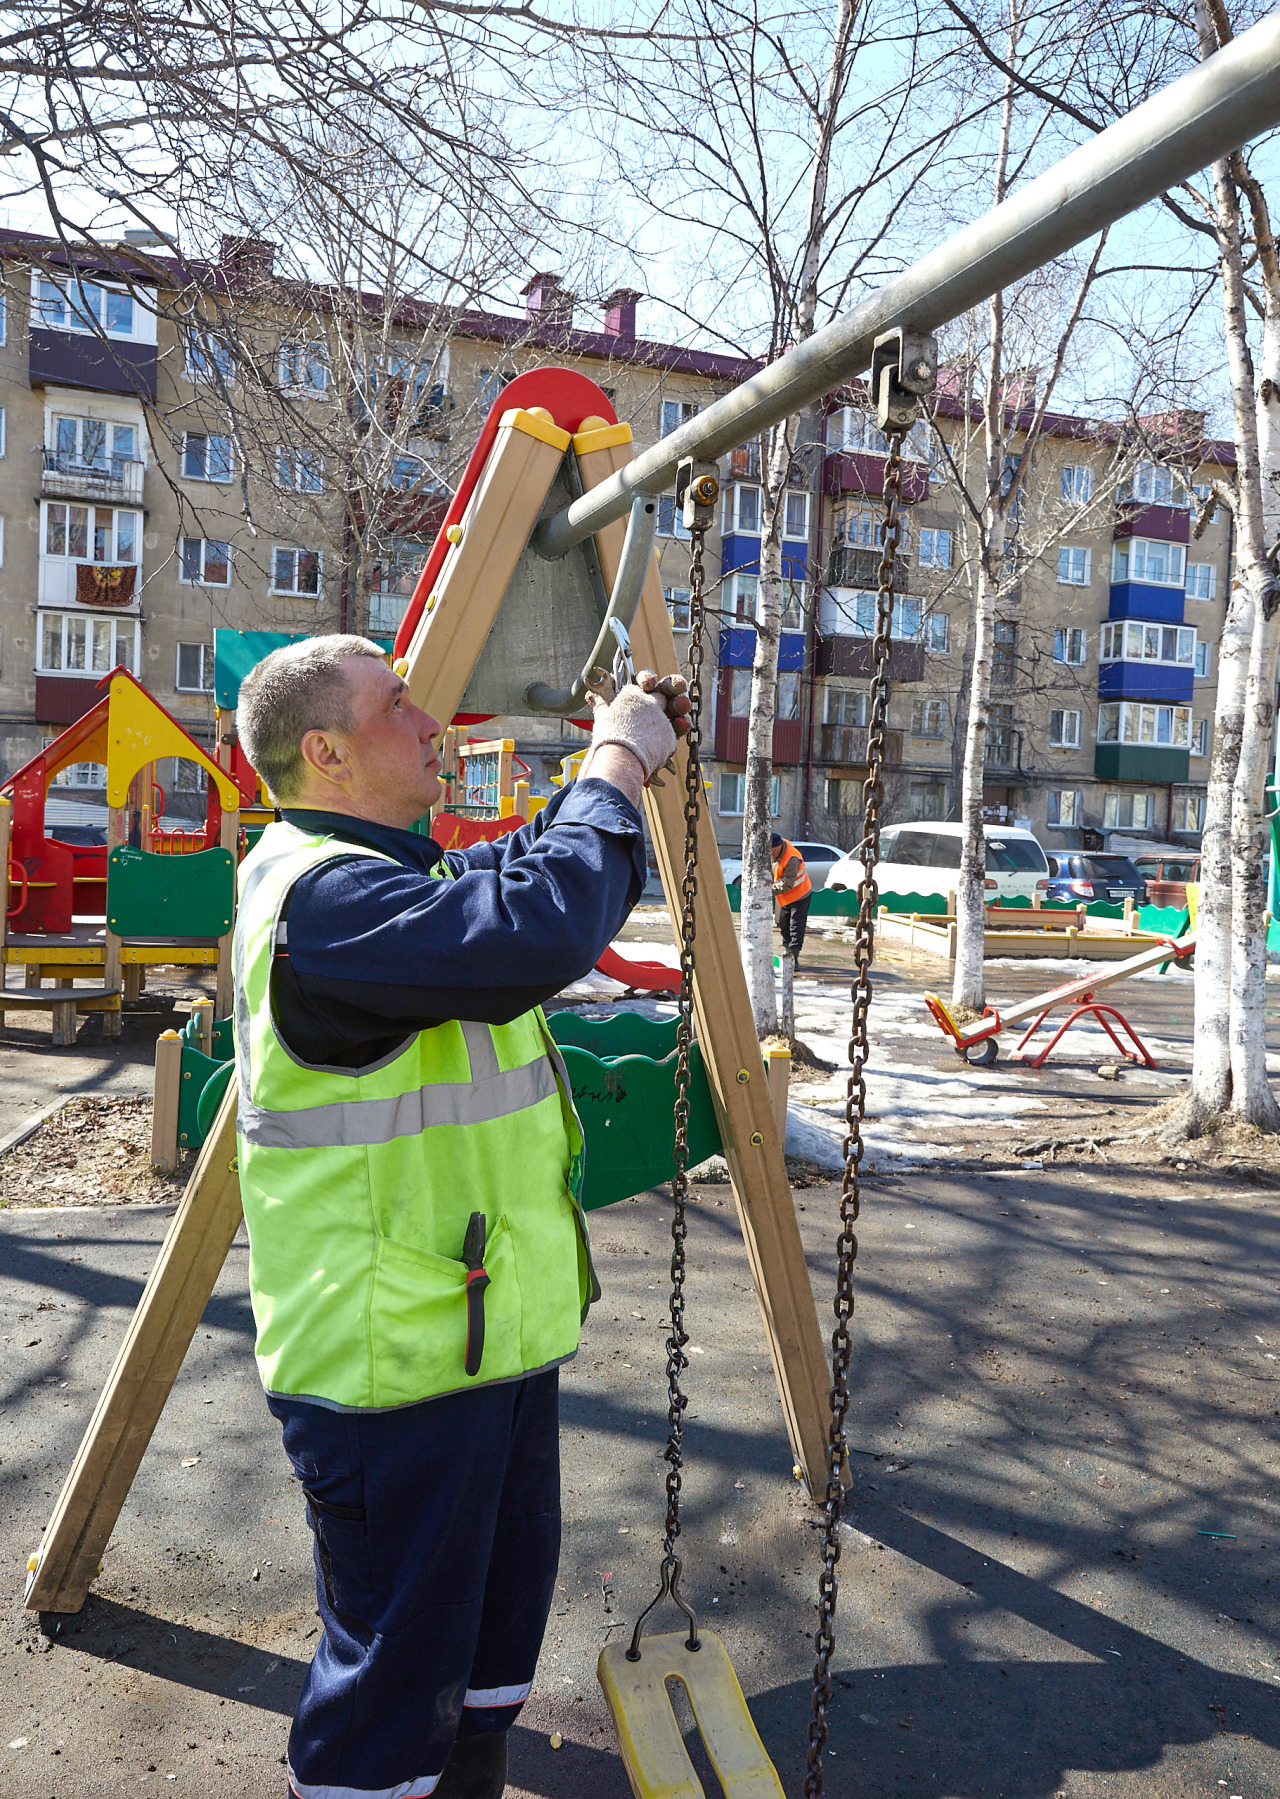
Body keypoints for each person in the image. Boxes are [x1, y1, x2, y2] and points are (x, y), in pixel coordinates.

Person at [232, 636, 690, 1799]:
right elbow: (529, 932)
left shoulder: (377, 881)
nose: (430, 719)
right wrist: (611, 769)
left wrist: (606, 772)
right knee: (390, 1682)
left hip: (475, 1332)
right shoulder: (322, 902)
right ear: (325, 749)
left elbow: (503, 885)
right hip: (390, 1365)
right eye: (399, 704)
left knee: (480, 1647)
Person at [771, 831, 812, 966]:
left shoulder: (791, 859)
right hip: (786, 898)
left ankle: (793, 957)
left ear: (778, 847)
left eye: (772, 851)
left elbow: (787, 884)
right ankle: (787, 951)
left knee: (796, 926)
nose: (771, 854)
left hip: (800, 895)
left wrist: (767, 891)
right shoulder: (777, 849)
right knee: (784, 924)